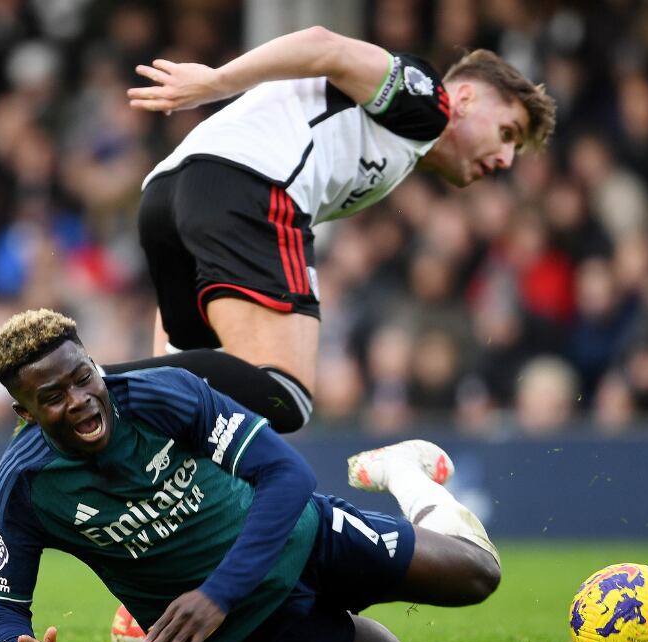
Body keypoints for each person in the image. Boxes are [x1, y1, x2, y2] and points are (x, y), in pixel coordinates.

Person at [0, 309, 500, 642]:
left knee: (477, 575)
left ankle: (403, 473)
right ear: (24, 413)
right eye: (53, 396)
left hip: (302, 539)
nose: (80, 400)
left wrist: (216, 593)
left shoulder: (162, 396)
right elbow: (3, 607)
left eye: (83, 375)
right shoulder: (24, 488)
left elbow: (289, 474)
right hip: (235, 632)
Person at [106, 27, 556, 433]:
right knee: (286, 395)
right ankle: (85, 381)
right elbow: (324, 46)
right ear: (466, 100)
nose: (505, 160)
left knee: (186, 405)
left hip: (167, 195)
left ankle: (81, 399)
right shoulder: (428, 104)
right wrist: (215, 82)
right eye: (507, 132)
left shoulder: (398, 141)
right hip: (245, 185)